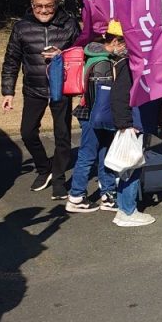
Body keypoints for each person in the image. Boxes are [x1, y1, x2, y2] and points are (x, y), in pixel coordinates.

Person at [1, 0, 80, 197]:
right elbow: (11, 60)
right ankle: (44, 168)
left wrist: (61, 54)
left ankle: (59, 178)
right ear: (32, 5)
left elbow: (81, 52)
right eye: (39, 6)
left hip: (60, 88)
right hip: (33, 89)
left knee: (62, 135)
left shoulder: (69, 24)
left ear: (56, 5)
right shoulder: (21, 27)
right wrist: (8, 92)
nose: (44, 10)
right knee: (27, 132)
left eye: (49, 6)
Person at [96, 20, 155, 227]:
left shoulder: (123, 63)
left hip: (132, 121)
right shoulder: (130, 65)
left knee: (129, 166)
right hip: (134, 122)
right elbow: (119, 96)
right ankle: (128, 210)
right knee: (132, 165)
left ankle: (124, 208)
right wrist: (125, 123)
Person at [66, 28, 120, 213]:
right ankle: (76, 196)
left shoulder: (91, 54)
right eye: (124, 45)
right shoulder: (104, 62)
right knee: (89, 155)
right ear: (115, 42)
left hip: (87, 111)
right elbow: (103, 96)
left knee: (102, 153)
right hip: (96, 114)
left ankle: (108, 194)